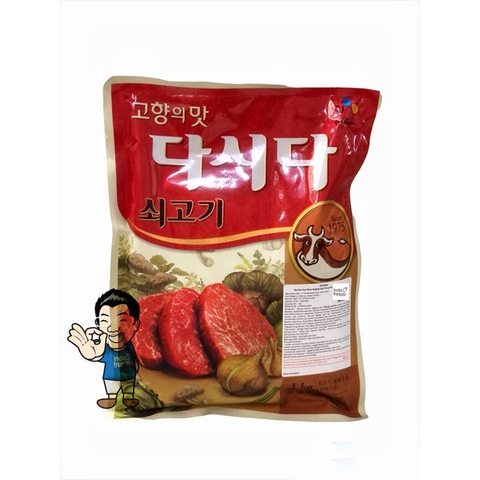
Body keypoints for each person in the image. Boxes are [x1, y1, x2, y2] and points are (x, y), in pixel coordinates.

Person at [68, 288, 141, 409]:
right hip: (110, 376)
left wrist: (137, 370)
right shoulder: (102, 346)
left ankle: (128, 397)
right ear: (98, 324)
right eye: (105, 321)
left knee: (129, 387)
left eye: (122, 320)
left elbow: (137, 358)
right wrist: (90, 354)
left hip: (129, 375)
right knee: (111, 387)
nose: (113, 327)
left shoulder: (131, 345)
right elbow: (97, 354)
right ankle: (111, 398)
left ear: (135, 324)